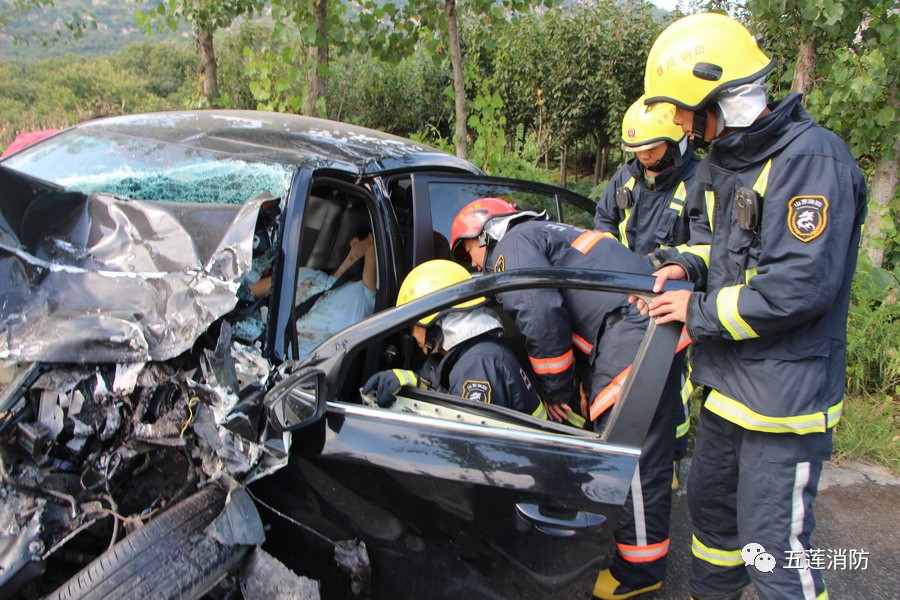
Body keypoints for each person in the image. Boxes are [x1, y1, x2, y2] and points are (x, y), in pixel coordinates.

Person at [640, 13, 867, 600]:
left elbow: (798, 288)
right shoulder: (718, 164)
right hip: (722, 391)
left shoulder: (814, 162)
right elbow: (708, 245)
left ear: (719, 99)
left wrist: (697, 311)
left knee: (775, 556)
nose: (684, 129)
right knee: (714, 536)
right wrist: (684, 267)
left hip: (781, 407)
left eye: (688, 113)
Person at [450, 198, 686, 599]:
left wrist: (558, 389)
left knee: (631, 458)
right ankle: (659, 491)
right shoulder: (549, 233)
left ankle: (639, 572)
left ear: (485, 231)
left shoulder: (513, 246)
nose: (473, 264)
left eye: (467, 250)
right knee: (651, 444)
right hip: (646, 322)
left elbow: (539, 313)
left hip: (631, 332)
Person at [595, 95, 702, 484]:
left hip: (672, 303)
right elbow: (603, 221)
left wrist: (671, 265)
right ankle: (633, 457)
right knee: (628, 380)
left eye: (651, 148)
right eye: (636, 149)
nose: (642, 156)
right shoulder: (625, 179)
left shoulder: (699, 182)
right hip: (626, 298)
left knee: (674, 386)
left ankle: (669, 460)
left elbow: (707, 247)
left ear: (675, 141)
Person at [362, 259, 545, 417]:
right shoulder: (470, 355)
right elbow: (450, 398)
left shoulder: (477, 365)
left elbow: (468, 443)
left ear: (435, 321)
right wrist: (414, 382)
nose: (412, 334)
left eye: (413, 324)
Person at [251, 229, 377, 358]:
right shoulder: (307, 274)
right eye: (366, 241)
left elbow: (373, 246)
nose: (368, 245)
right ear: (353, 242)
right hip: (259, 349)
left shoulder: (365, 297)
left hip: (293, 371)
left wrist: (367, 245)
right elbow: (252, 290)